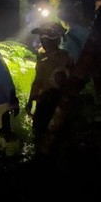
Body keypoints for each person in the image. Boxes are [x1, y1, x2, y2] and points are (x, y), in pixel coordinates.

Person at [25, 22, 73, 153]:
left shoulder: (43, 60)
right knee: (61, 137)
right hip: (63, 102)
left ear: (46, 40)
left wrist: (30, 102)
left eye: (41, 37)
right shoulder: (67, 56)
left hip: (46, 102)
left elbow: (37, 82)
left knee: (40, 133)